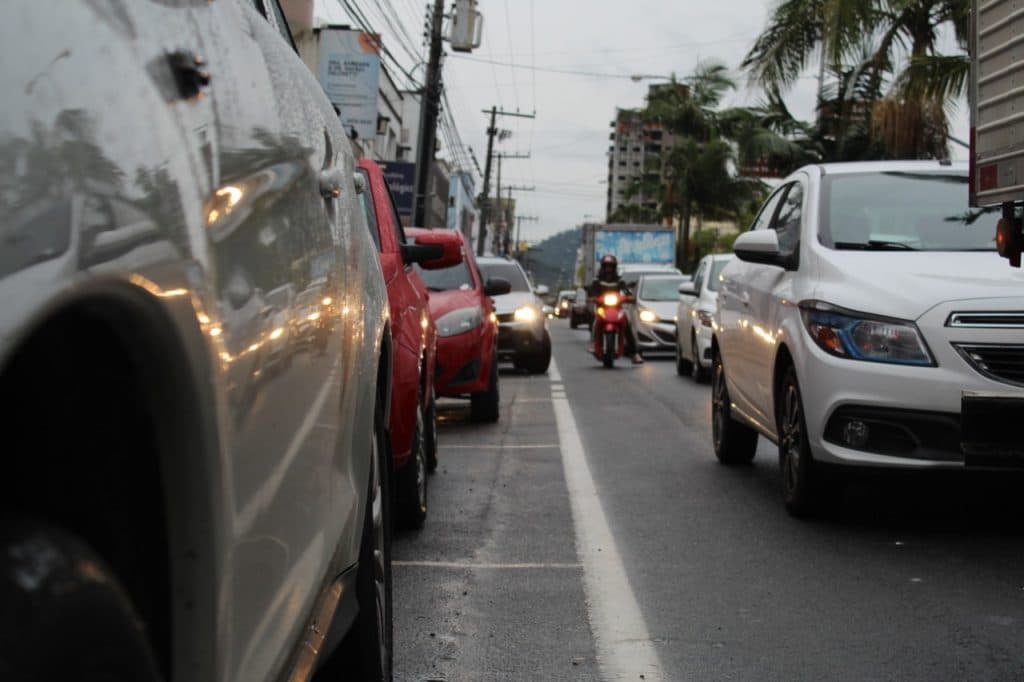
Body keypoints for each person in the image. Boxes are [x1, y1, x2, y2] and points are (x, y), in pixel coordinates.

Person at [587, 254, 644, 364]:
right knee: (594, 320)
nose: (608, 269)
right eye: (606, 266)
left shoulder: (619, 281)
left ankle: (634, 353)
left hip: (616, 309)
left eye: (611, 266)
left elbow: (626, 291)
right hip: (601, 309)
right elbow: (591, 291)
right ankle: (594, 344)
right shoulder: (597, 281)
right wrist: (592, 297)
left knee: (626, 323)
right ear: (603, 267)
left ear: (614, 267)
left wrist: (629, 297)